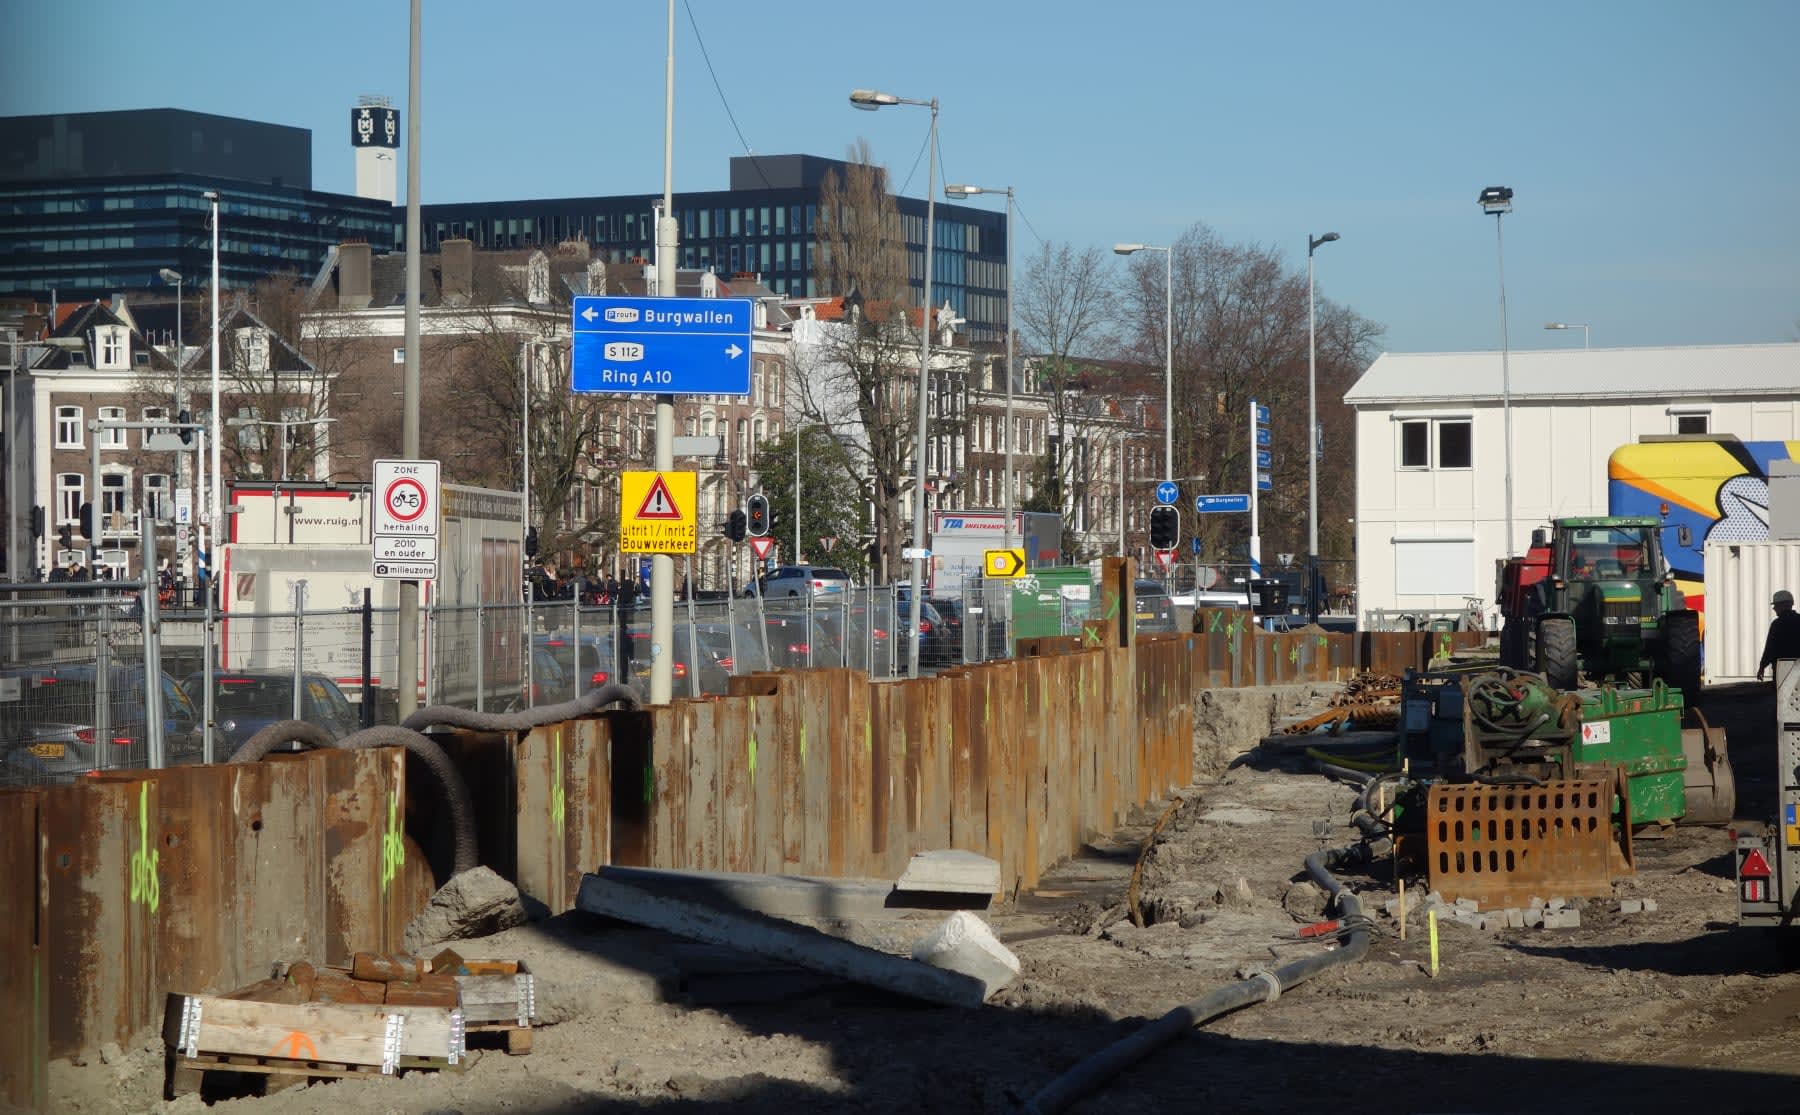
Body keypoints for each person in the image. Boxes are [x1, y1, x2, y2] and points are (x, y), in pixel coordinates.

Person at [1757, 589, 1800, 682]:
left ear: (1783, 605)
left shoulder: (1777, 624)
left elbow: (1770, 648)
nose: (1774, 608)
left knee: (1783, 696)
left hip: (1782, 672)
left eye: (1776, 605)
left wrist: (1762, 667)